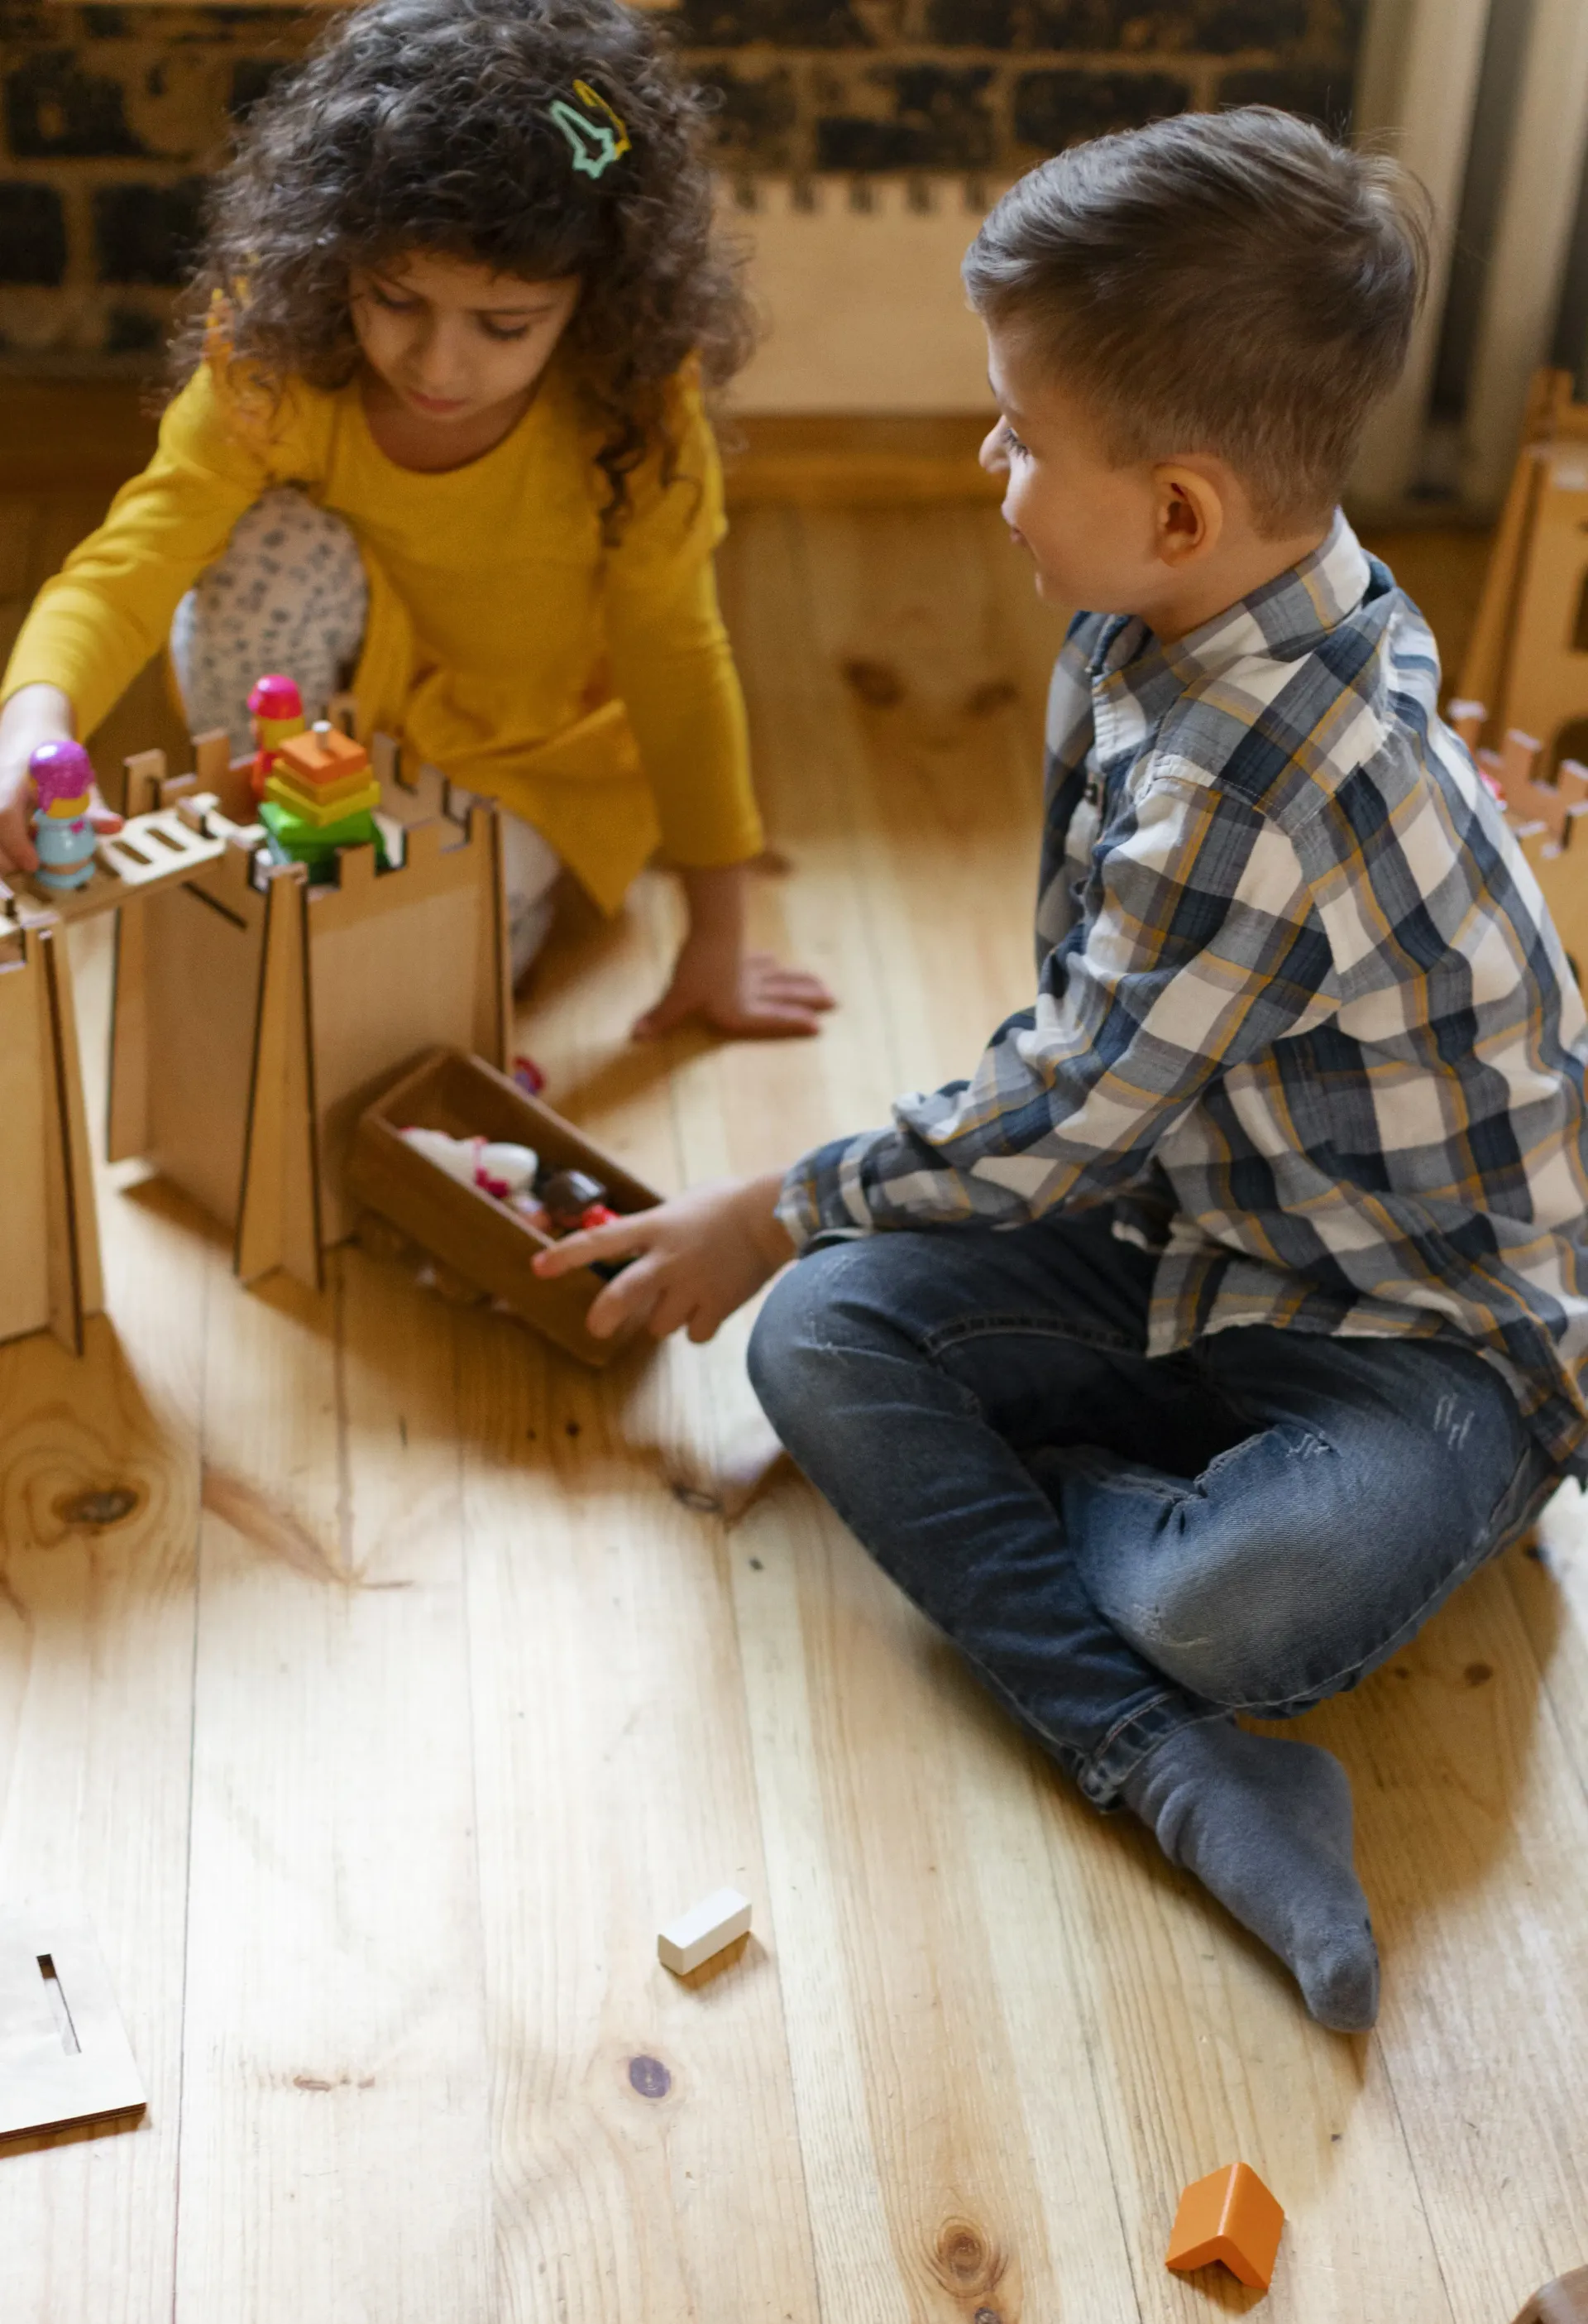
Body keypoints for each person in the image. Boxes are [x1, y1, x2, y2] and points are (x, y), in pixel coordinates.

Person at [534, 108, 1588, 2032]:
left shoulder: (1257, 771)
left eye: (1022, 432)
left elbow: (1073, 1098)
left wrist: (773, 1200)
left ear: (1182, 508)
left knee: (1224, 1609)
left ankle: (1158, 1688)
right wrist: (817, 1247)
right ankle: (1180, 1752)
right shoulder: (1167, 616)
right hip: (1192, 1216)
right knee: (817, 1340)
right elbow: (1099, 1072)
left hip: (1423, 1338)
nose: (988, 464)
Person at [0, 0, 831, 1040]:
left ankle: (428, 905)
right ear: (335, 250)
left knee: (402, 978)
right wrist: (31, 721)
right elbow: (137, 553)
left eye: (504, 325)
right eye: (396, 300)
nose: (441, 367)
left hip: (528, 750)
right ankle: (263, 827)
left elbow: (676, 652)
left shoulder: (633, 407)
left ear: (594, 301)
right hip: (340, 699)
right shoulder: (279, 357)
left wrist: (718, 935)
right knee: (262, 546)